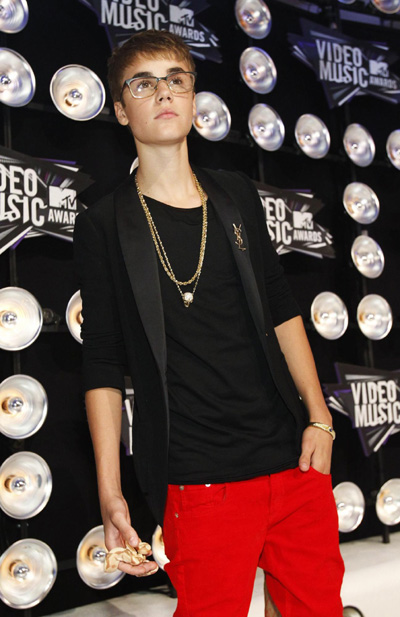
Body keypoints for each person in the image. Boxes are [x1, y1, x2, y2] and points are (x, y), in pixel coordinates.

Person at [74, 29, 344, 617]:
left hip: (294, 465)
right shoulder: (104, 221)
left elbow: (281, 309)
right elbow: (102, 360)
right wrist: (110, 491)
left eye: (177, 79)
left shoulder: (235, 193)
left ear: (193, 96)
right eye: (143, 84)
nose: (164, 93)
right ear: (120, 109)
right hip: (199, 482)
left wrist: (320, 420)